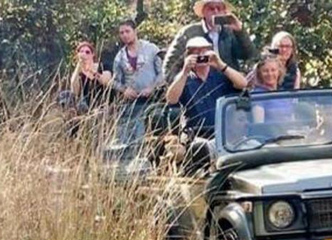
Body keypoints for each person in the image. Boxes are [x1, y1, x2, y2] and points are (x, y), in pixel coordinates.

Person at [165, 37, 248, 137]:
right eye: (196, 53)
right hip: (197, 135)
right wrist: (185, 71)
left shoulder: (220, 76)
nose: (201, 56)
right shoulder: (184, 80)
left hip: (224, 133)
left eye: (204, 52)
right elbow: (171, 99)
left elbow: (243, 83)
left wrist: (220, 64)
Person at [163, 0, 256, 81]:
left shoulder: (230, 31)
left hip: (229, 87)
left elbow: (249, 55)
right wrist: (185, 87)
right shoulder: (188, 33)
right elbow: (169, 67)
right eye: (211, 9)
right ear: (203, 12)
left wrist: (240, 31)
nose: (215, 11)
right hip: (200, 90)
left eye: (219, 8)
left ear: (224, 12)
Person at [111, 19, 164, 150]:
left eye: (127, 31)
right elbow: (115, 81)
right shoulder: (120, 56)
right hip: (132, 103)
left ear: (135, 31)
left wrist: (152, 87)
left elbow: (163, 72)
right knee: (134, 137)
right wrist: (124, 90)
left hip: (154, 99)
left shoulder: (151, 49)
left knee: (155, 134)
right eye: (121, 32)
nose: (124, 35)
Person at [69, 41, 112, 112]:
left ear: (93, 54)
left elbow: (106, 80)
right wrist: (78, 66)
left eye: (87, 52)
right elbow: (74, 91)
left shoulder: (102, 66)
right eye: (81, 52)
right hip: (89, 108)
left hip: (106, 106)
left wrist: (91, 70)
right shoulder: (78, 74)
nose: (84, 54)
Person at [248, 54, 291, 123]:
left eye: (273, 70)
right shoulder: (258, 95)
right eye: (265, 71)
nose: (270, 74)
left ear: (279, 72)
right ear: (259, 73)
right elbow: (259, 124)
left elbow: (291, 119)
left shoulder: (283, 94)